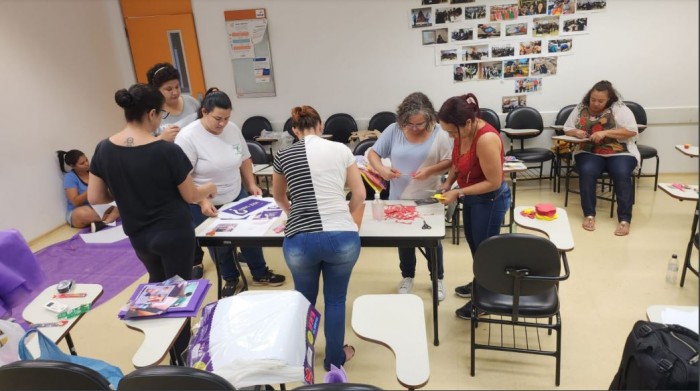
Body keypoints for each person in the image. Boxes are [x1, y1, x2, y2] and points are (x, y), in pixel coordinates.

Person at [87, 83, 216, 362]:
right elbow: (191, 195)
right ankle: (180, 357)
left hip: (139, 234)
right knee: (179, 294)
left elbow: (95, 195)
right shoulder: (166, 151)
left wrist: (123, 192)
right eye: (160, 114)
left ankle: (161, 347)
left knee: (157, 288)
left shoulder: (103, 149)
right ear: (151, 114)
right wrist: (209, 188)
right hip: (173, 232)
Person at [272, 105, 365, 372]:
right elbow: (359, 196)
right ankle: (335, 360)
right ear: (321, 125)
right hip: (342, 238)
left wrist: (295, 214)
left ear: (294, 129)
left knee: (304, 299)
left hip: (301, 240)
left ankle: (302, 355)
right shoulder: (342, 150)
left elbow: (279, 197)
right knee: (336, 300)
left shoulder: (283, 155)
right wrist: (343, 217)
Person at [174, 90, 285, 297]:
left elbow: (244, 158)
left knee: (251, 236)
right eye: (218, 118)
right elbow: (182, 178)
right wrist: (200, 202)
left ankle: (260, 272)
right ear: (204, 112)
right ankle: (230, 278)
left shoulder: (232, 129)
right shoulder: (187, 137)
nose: (223, 123)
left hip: (236, 193)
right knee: (220, 246)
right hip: (206, 201)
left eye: (227, 118)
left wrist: (251, 184)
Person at [366, 92, 452, 301]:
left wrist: (430, 170)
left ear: (430, 117)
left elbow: (450, 161)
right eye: (410, 124)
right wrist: (382, 170)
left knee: (432, 240)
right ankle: (407, 276)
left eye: (420, 124)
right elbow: (373, 154)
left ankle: (437, 278)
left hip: (429, 196)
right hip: (399, 196)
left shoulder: (440, 133)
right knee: (404, 241)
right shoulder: (394, 130)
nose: (414, 128)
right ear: (403, 118)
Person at [436, 93, 511, 320]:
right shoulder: (462, 133)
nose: (449, 136)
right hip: (471, 197)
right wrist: (447, 183)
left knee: (485, 251)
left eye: (451, 131)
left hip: (490, 199)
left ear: (467, 123)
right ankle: (481, 282)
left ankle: (486, 299)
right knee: (474, 244)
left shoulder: (486, 138)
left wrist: (457, 191)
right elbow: (458, 164)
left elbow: (493, 182)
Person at [563, 80, 639, 236]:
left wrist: (605, 133)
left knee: (621, 173)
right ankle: (589, 215)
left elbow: (632, 131)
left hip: (619, 152)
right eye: (593, 99)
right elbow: (567, 128)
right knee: (587, 171)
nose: (595, 103)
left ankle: (625, 220)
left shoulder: (619, 108)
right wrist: (576, 132)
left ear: (609, 99)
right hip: (589, 152)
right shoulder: (580, 108)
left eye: (600, 101)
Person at [57, 149, 119, 231]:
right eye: (82, 163)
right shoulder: (70, 177)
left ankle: (103, 221)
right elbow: (75, 202)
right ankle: (111, 217)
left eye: (86, 160)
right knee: (82, 213)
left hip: (96, 207)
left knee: (121, 201)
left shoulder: (93, 172)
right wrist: (91, 189)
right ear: (73, 166)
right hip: (79, 211)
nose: (87, 163)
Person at [146, 62, 200, 143]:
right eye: (169, 89)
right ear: (156, 90)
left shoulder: (191, 102)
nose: (175, 92)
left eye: (177, 87)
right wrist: (161, 138)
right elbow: (144, 145)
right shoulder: (153, 114)